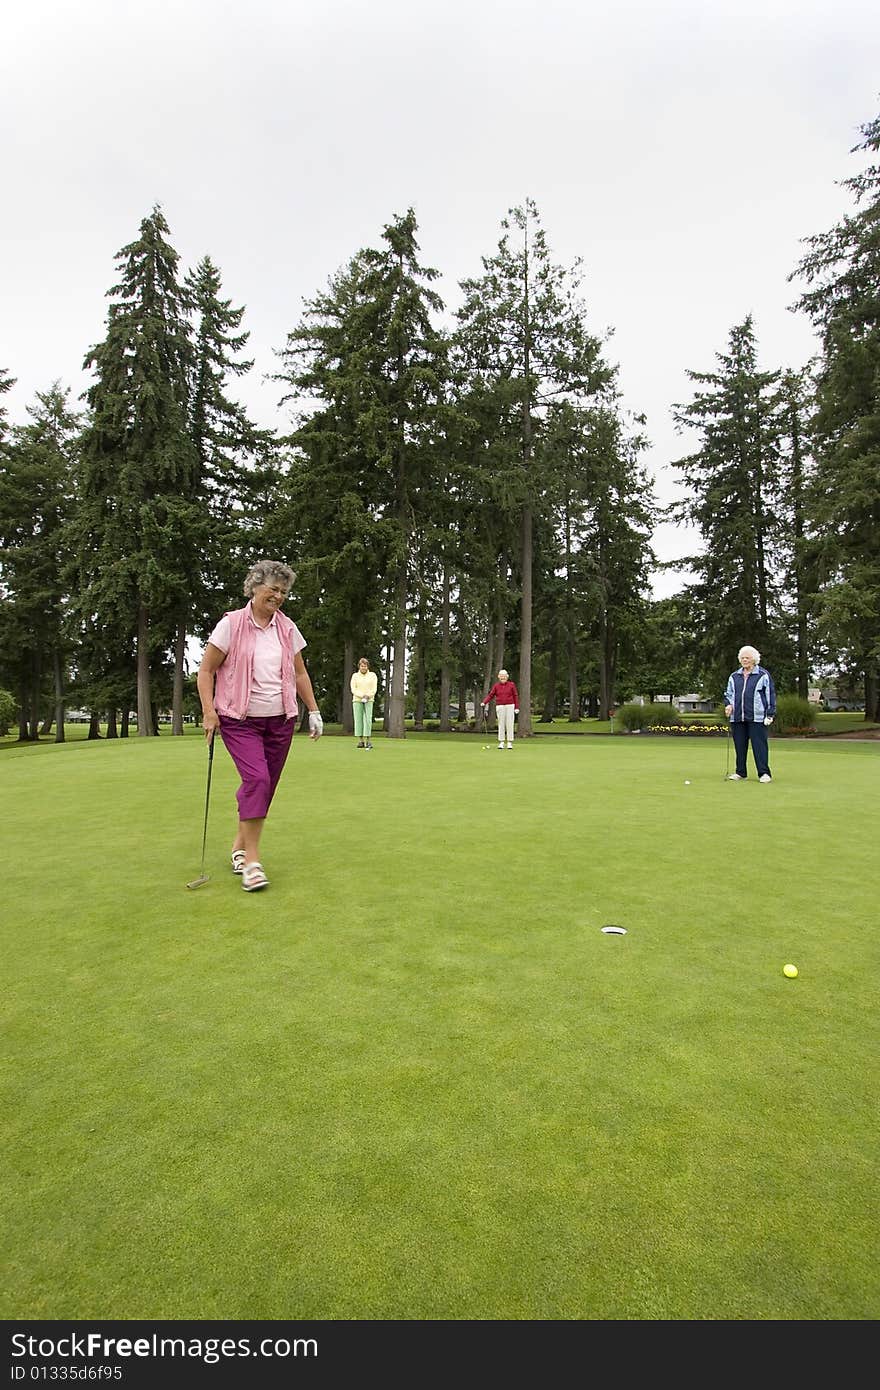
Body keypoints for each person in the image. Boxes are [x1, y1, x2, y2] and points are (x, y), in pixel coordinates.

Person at [197, 559, 323, 891]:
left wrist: (314, 711)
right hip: (240, 720)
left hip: (280, 720)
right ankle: (252, 862)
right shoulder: (232, 625)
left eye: (283, 592)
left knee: (264, 786)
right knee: (257, 779)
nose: (278, 596)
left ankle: (239, 848)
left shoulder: (287, 628)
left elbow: (299, 673)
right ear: (254, 587)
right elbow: (207, 671)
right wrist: (209, 712)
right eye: (272, 589)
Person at [724, 644, 776, 783]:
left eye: (747, 657)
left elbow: (770, 695)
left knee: (759, 746)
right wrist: (728, 705)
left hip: (757, 716)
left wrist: (770, 714)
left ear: (754, 659)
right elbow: (729, 694)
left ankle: (764, 773)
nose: (744, 660)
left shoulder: (763, 675)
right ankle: (740, 772)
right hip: (737, 716)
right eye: (742, 658)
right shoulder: (734, 676)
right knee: (740, 746)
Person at [482, 667, 519, 749]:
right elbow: (491, 695)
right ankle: (501, 742)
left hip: (510, 705)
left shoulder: (511, 685)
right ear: (499, 677)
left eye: (504, 676)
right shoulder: (496, 686)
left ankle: (509, 742)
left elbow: (515, 696)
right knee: (501, 724)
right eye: (501, 676)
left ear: (507, 676)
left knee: (509, 724)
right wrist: (484, 702)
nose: (503, 677)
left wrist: (516, 707)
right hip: (500, 706)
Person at [350, 656, 378, 749]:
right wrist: (362, 695)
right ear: (359, 666)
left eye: (365, 666)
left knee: (368, 720)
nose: (363, 668)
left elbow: (374, 689)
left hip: (369, 700)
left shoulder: (372, 675)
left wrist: (367, 696)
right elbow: (353, 689)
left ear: (367, 666)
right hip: (357, 700)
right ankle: (360, 741)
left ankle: (368, 741)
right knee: (358, 720)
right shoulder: (355, 676)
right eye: (362, 666)